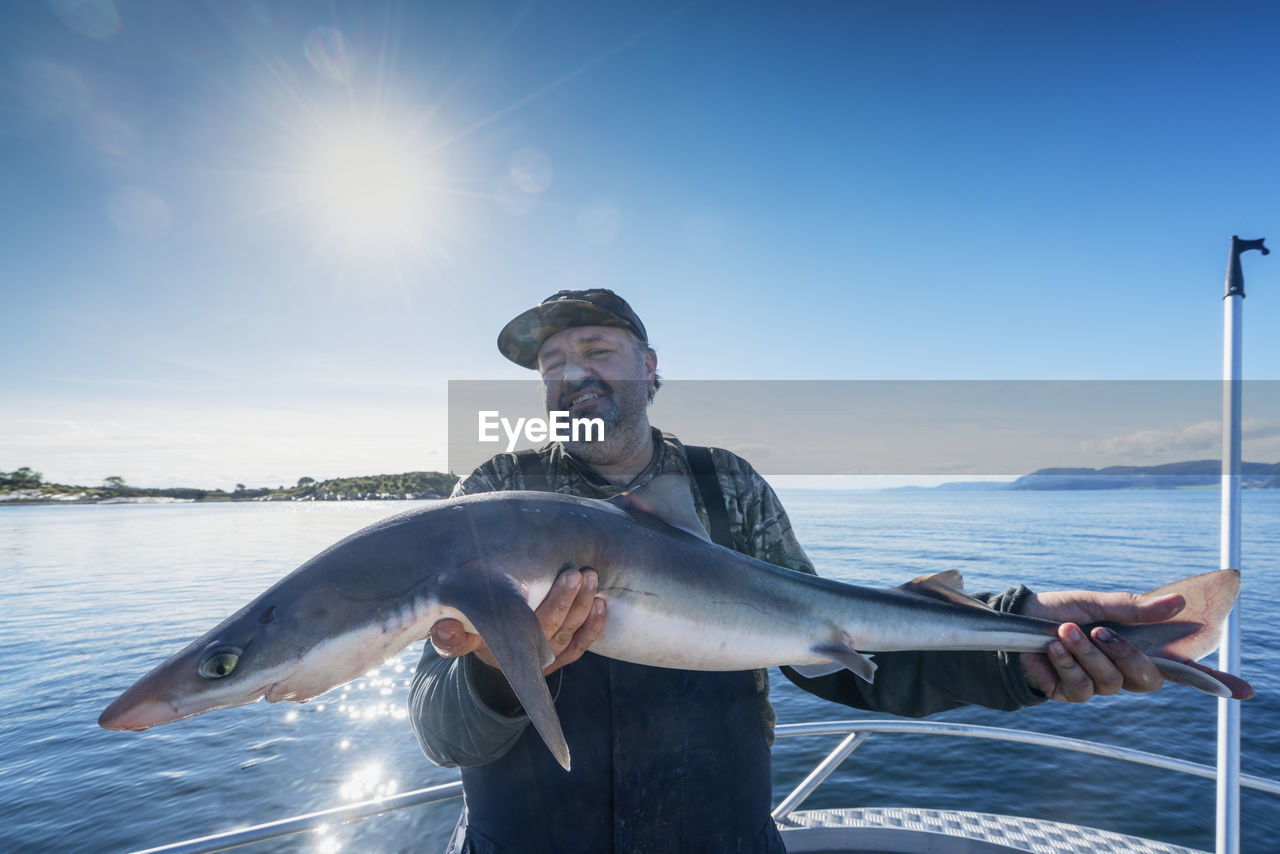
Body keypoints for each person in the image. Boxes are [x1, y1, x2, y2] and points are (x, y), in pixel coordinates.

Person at [409, 289, 1184, 854]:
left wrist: (1022, 644)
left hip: (719, 838)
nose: (572, 374)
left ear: (649, 369)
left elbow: (832, 651)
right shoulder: (489, 498)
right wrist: (496, 670)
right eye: (552, 364)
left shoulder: (726, 487)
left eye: (597, 352)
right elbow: (438, 727)